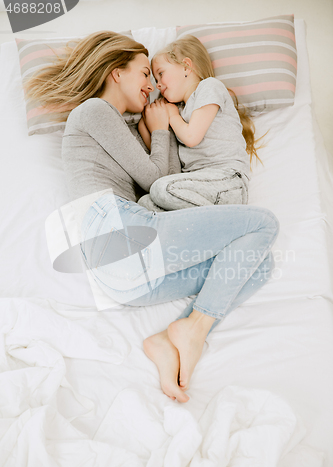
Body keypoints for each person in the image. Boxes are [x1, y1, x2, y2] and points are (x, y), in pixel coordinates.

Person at [24, 31, 279, 403]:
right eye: (145, 74)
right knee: (264, 223)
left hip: (125, 280)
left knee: (258, 263)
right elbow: (156, 179)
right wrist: (160, 128)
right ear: (116, 73)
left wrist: (160, 128)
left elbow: (170, 178)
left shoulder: (126, 125)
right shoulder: (94, 111)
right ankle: (194, 331)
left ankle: (173, 335)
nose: (151, 86)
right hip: (114, 230)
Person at [137, 35, 260, 212]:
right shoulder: (179, 110)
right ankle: (208, 226)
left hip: (227, 181)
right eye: (156, 80)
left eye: (161, 74)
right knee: (145, 204)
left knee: (160, 188)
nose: (158, 85)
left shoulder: (209, 87)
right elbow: (167, 159)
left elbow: (191, 137)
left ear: (186, 66)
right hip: (196, 188)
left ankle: (229, 219)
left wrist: (171, 116)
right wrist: (147, 119)